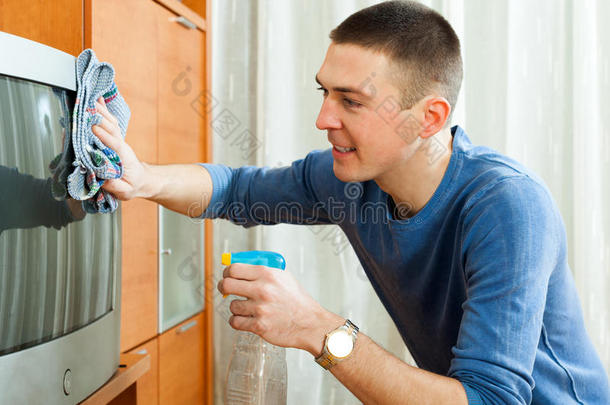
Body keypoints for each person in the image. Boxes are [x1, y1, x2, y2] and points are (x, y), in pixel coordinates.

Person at [92, 1, 609, 404]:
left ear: (429, 117)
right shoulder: (351, 179)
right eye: (324, 92)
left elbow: (491, 400)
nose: (323, 119)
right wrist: (141, 179)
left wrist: (316, 328)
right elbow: (236, 190)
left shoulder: (507, 206)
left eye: (351, 101)